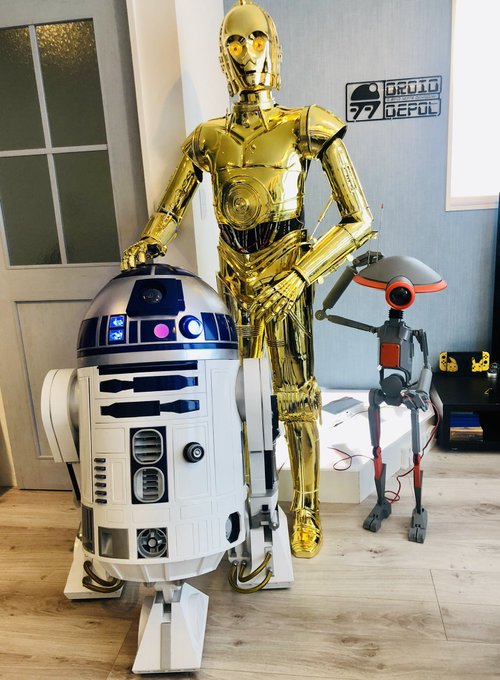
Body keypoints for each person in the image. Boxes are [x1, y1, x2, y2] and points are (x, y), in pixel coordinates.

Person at [121, 0, 374, 558]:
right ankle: (243, 497)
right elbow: (171, 207)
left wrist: (300, 275)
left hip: (287, 271)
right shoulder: (207, 138)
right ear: (222, 54)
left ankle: (304, 507)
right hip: (232, 277)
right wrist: (151, 240)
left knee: (296, 396)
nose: (246, 52)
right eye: (234, 42)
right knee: (236, 397)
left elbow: (359, 219)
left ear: (272, 46)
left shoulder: (305, 124)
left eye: (256, 39)